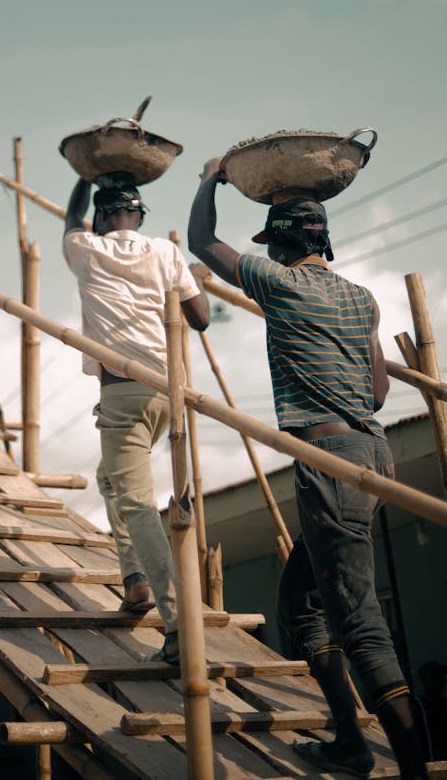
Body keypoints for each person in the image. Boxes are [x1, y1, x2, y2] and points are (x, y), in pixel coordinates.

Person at [188, 160, 427, 780]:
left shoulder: (279, 283)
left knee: (360, 621)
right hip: (373, 453)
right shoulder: (361, 298)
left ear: (284, 243)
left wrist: (210, 180)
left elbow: (201, 244)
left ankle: (412, 768)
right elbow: (376, 396)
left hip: (330, 464)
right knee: (301, 600)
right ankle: (349, 740)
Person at [63, 177, 210, 664]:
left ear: (101, 219)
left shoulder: (85, 248)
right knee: (111, 479)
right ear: (140, 217)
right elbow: (201, 318)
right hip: (170, 390)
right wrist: (192, 277)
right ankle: (136, 581)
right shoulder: (166, 253)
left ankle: (177, 626)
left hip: (122, 397)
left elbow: (70, 220)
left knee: (138, 505)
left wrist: (83, 176)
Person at [414, 661, 447, 762]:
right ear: (425, 680)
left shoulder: (444, 703)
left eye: (441, 676)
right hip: (431, 765)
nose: (440, 679)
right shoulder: (417, 705)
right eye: (435, 676)